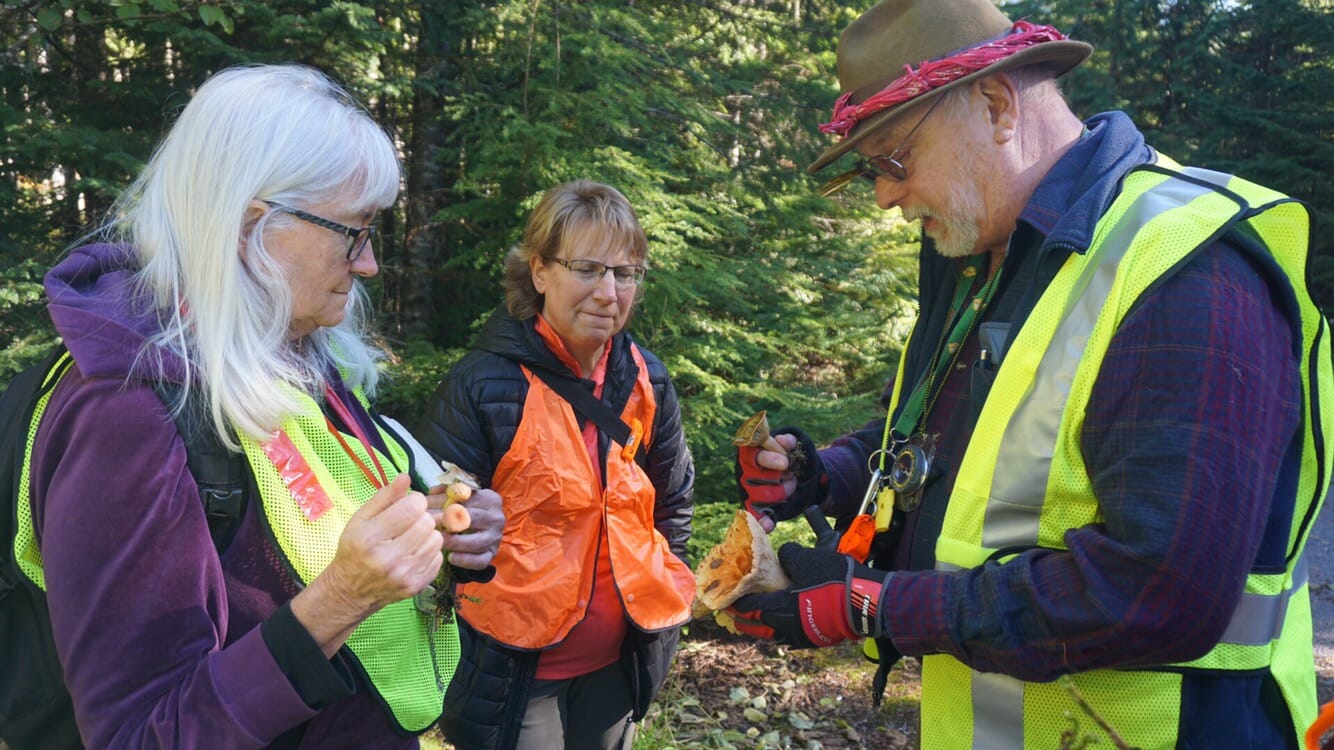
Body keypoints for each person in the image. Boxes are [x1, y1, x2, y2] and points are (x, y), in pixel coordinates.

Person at [724, 1, 1334, 748]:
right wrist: (826, 477)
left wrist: (873, 606)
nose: (883, 195)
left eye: (893, 160)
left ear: (995, 104)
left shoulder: (1185, 269)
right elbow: (950, 452)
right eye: (868, 170)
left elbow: (1156, 594)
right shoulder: (986, 253)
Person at [19, 64, 504, 748]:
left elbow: (301, 525)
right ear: (254, 228)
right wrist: (343, 599)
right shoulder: (126, 414)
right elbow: (140, 735)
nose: (367, 265)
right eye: (353, 232)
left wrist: (446, 533)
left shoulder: (290, 354)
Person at [416, 180, 696, 749]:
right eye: (588, 269)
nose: (608, 291)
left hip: (619, 664)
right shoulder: (482, 383)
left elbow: (672, 507)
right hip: (517, 672)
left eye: (625, 273)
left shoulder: (648, 379)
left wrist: (660, 617)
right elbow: (437, 532)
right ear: (540, 271)